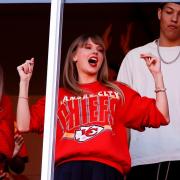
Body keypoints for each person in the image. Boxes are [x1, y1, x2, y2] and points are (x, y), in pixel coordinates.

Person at [16, 33, 169, 180]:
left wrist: (157, 76)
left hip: (106, 169)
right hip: (67, 169)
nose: (95, 51)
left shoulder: (117, 91)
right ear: (74, 56)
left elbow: (161, 115)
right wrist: (24, 82)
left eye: (100, 50)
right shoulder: (58, 96)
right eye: (88, 47)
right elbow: (24, 124)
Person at [117, 2, 180, 180]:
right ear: (159, 13)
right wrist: (121, 160)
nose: (174, 19)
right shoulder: (135, 57)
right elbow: (122, 113)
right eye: (169, 12)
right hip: (143, 157)